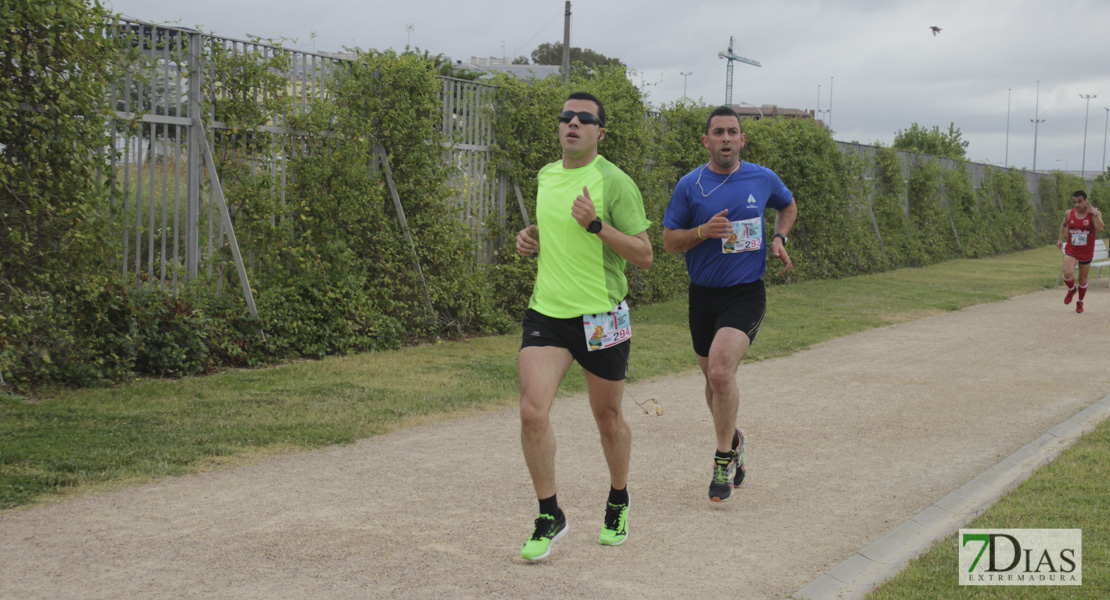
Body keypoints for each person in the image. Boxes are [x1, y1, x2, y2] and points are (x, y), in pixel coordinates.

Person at [514, 91, 653, 560]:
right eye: (566, 117)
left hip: (600, 316)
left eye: (584, 119)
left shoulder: (615, 183)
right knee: (532, 411)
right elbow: (553, 233)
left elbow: (645, 254)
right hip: (548, 313)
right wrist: (530, 241)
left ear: (600, 132)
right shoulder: (546, 175)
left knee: (608, 419)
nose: (573, 123)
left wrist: (596, 226)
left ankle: (618, 498)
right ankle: (549, 513)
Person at [662, 106, 797, 503]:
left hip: (745, 292)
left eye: (732, 132)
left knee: (721, 373)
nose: (725, 138)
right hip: (702, 295)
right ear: (706, 141)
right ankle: (734, 437)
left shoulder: (762, 176)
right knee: (712, 382)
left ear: (742, 140)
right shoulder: (691, 185)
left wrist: (779, 238)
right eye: (717, 132)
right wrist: (703, 231)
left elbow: (787, 205)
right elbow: (670, 241)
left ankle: (724, 460)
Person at [1058, 190, 1104, 314]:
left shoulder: (1095, 213)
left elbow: (1100, 228)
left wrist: (1094, 214)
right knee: (1067, 273)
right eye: (1075, 202)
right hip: (1072, 249)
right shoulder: (1069, 213)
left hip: (1086, 251)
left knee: (1082, 279)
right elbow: (1064, 225)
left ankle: (1080, 302)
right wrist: (1061, 239)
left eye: (1080, 202)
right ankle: (1072, 289)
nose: (1077, 205)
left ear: (1086, 201)